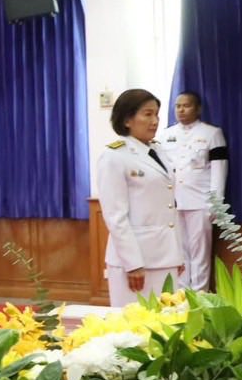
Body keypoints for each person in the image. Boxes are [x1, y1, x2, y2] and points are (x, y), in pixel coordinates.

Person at [98, 89, 185, 307]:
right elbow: (116, 216)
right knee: (134, 330)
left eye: (156, 114)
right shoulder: (114, 156)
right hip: (136, 261)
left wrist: (178, 255)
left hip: (166, 256)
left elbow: (169, 209)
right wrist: (132, 263)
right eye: (147, 114)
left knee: (166, 327)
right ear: (127, 119)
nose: (155, 121)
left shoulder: (158, 151)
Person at [159, 91, 228, 291]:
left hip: (200, 202)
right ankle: (182, 296)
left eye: (186, 105)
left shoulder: (212, 133)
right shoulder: (166, 135)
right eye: (178, 106)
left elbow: (219, 170)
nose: (181, 110)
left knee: (200, 254)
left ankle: (200, 298)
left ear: (197, 108)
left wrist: (217, 203)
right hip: (173, 202)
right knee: (179, 253)